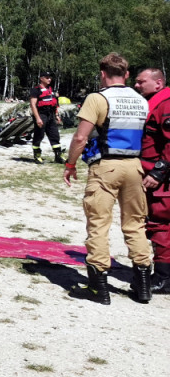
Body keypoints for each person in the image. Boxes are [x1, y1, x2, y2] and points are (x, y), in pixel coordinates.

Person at [63, 53, 151, 305]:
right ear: (126, 74)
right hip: (135, 165)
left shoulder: (97, 98)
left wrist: (70, 164)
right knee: (135, 224)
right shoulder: (141, 100)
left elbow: (80, 137)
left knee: (99, 223)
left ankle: (97, 285)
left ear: (102, 73)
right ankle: (143, 284)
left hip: (106, 165)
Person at [134, 68, 170, 294]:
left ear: (158, 83)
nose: (137, 85)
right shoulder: (156, 103)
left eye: (141, 82)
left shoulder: (165, 104)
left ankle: (164, 278)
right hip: (156, 173)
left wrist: (159, 171)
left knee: (161, 224)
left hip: (161, 179)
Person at [29, 72, 65, 164]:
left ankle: (58, 156)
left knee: (55, 135)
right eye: (47, 77)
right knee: (39, 135)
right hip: (41, 114)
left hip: (51, 115)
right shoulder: (35, 90)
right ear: (41, 78)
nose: (49, 79)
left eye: (50, 77)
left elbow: (55, 104)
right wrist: (38, 118)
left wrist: (56, 115)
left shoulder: (51, 89)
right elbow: (33, 105)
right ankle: (37, 156)